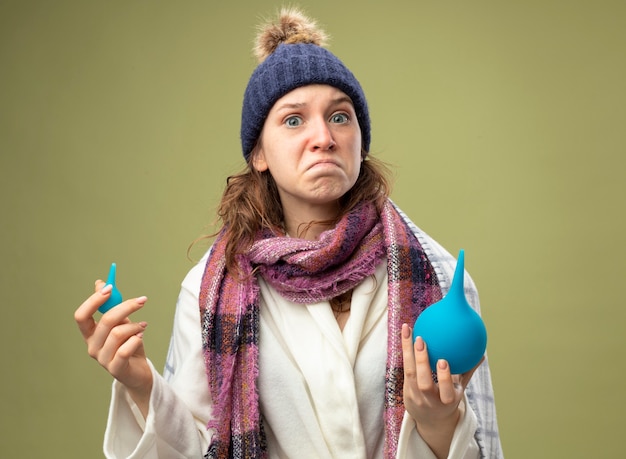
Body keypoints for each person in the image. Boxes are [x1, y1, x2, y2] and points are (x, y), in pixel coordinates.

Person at [75, 7, 503, 459]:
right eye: (294, 120)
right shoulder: (212, 290)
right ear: (259, 152)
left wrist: (439, 423)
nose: (323, 136)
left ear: (361, 139)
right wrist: (141, 385)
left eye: (340, 117)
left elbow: (480, 449)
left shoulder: (436, 275)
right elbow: (203, 448)